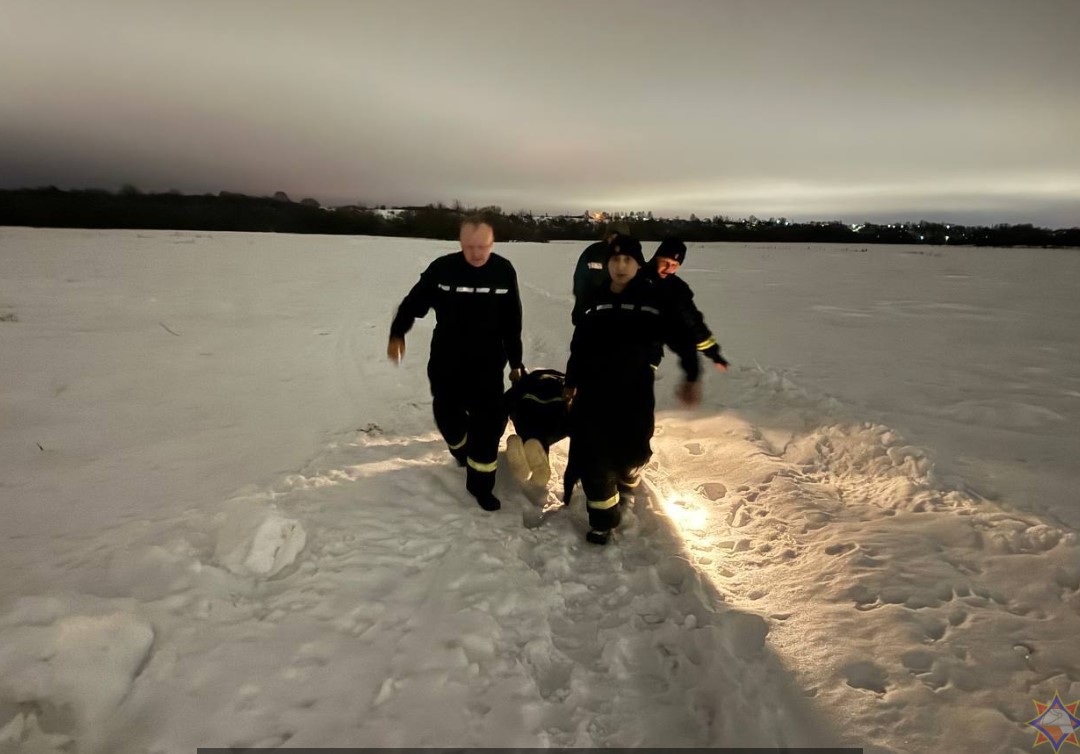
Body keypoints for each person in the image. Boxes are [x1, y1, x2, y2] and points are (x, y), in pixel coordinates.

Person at [562, 236, 702, 545]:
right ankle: (602, 520)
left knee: (634, 453)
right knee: (595, 460)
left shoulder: (654, 299)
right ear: (608, 265)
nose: (621, 266)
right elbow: (580, 346)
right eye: (615, 260)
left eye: (628, 260)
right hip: (593, 393)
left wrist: (691, 375)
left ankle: (628, 474)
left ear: (639, 265)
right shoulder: (593, 300)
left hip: (634, 394)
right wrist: (571, 383)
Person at [388, 217, 524, 512]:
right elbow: (414, 303)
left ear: (492, 243)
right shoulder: (442, 269)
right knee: (448, 416)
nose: (476, 254)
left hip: (488, 361)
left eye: (483, 247)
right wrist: (398, 331)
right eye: (470, 247)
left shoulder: (503, 271)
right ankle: (460, 448)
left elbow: (512, 321)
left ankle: (481, 485)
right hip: (447, 359)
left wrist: (516, 361)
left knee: (486, 426)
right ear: (461, 244)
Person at [644, 237, 730, 371]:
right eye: (665, 262)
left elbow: (693, 322)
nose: (668, 268)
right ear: (657, 257)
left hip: (648, 359)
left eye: (674, 265)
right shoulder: (633, 276)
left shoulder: (678, 289)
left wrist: (714, 354)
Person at [503, 368, 570, 488]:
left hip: (527, 414)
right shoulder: (566, 382)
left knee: (529, 432)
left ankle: (524, 444)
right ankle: (541, 456)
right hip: (555, 417)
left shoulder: (526, 382)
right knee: (545, 436)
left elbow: (503, 404)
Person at [571, 220, 630, 325]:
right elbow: (580, 280)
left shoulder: (632, 256)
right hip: (593, 312)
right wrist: (582, 308)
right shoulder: (592, 252)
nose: (614, 239)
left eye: (619, 236)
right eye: (611, 235)